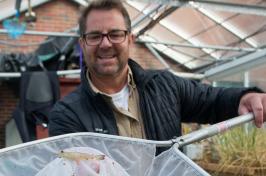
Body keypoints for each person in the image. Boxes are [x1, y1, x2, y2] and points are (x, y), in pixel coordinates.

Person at [49, 0, 266, 141]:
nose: (105, 44)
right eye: (95, 36)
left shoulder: (164, 86)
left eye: (115, 34)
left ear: (130, 40)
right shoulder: (67, 114)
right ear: (82, 43)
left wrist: (244, 97)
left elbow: (212, 100)